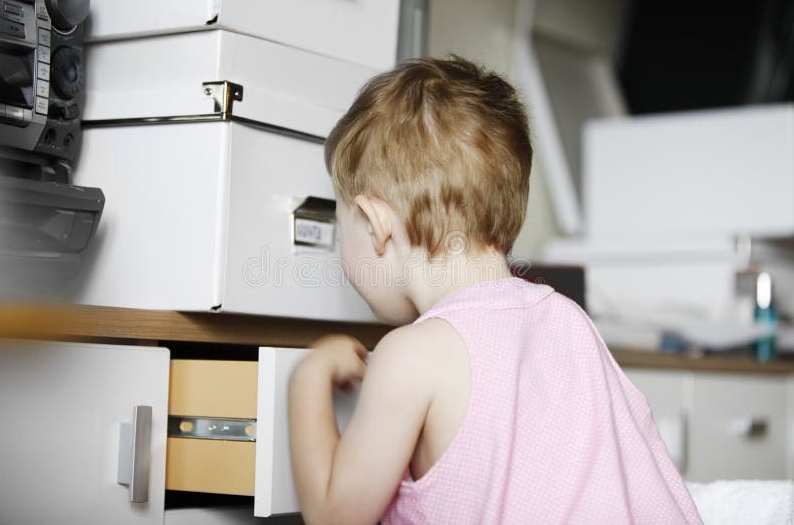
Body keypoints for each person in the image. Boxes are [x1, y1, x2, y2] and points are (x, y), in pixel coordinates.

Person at [288, 56, 701, 525]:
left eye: (342, 224)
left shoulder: (410, 355)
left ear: (376, 224)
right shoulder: (569, 318)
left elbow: (334, 517)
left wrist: (309, 378)